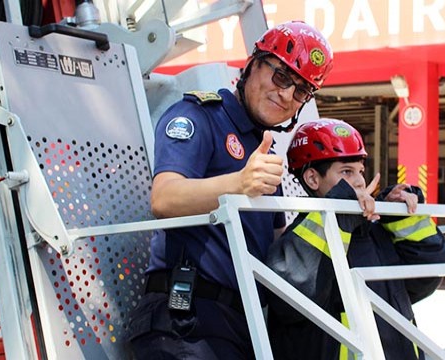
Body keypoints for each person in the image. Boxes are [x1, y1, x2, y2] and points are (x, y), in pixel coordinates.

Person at [127, 21, 333, 359]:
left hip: (239, 323)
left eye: (301, 91)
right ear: (253, 65)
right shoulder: (198, 116)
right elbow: (164, 198)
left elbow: (280, 251)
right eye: (281, 77)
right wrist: (238, 185)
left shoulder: (263, 156)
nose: (286, 94)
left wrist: (344, 208)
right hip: (185, 319)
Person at [265, 119, 445, 360]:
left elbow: (424, 280)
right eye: (346, 172)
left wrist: (400, 217)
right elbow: (292, 301)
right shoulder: (299, 240)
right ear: (312, 179)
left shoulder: (375, 233)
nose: (361, 181)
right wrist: (339, 211)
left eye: (360, 171)